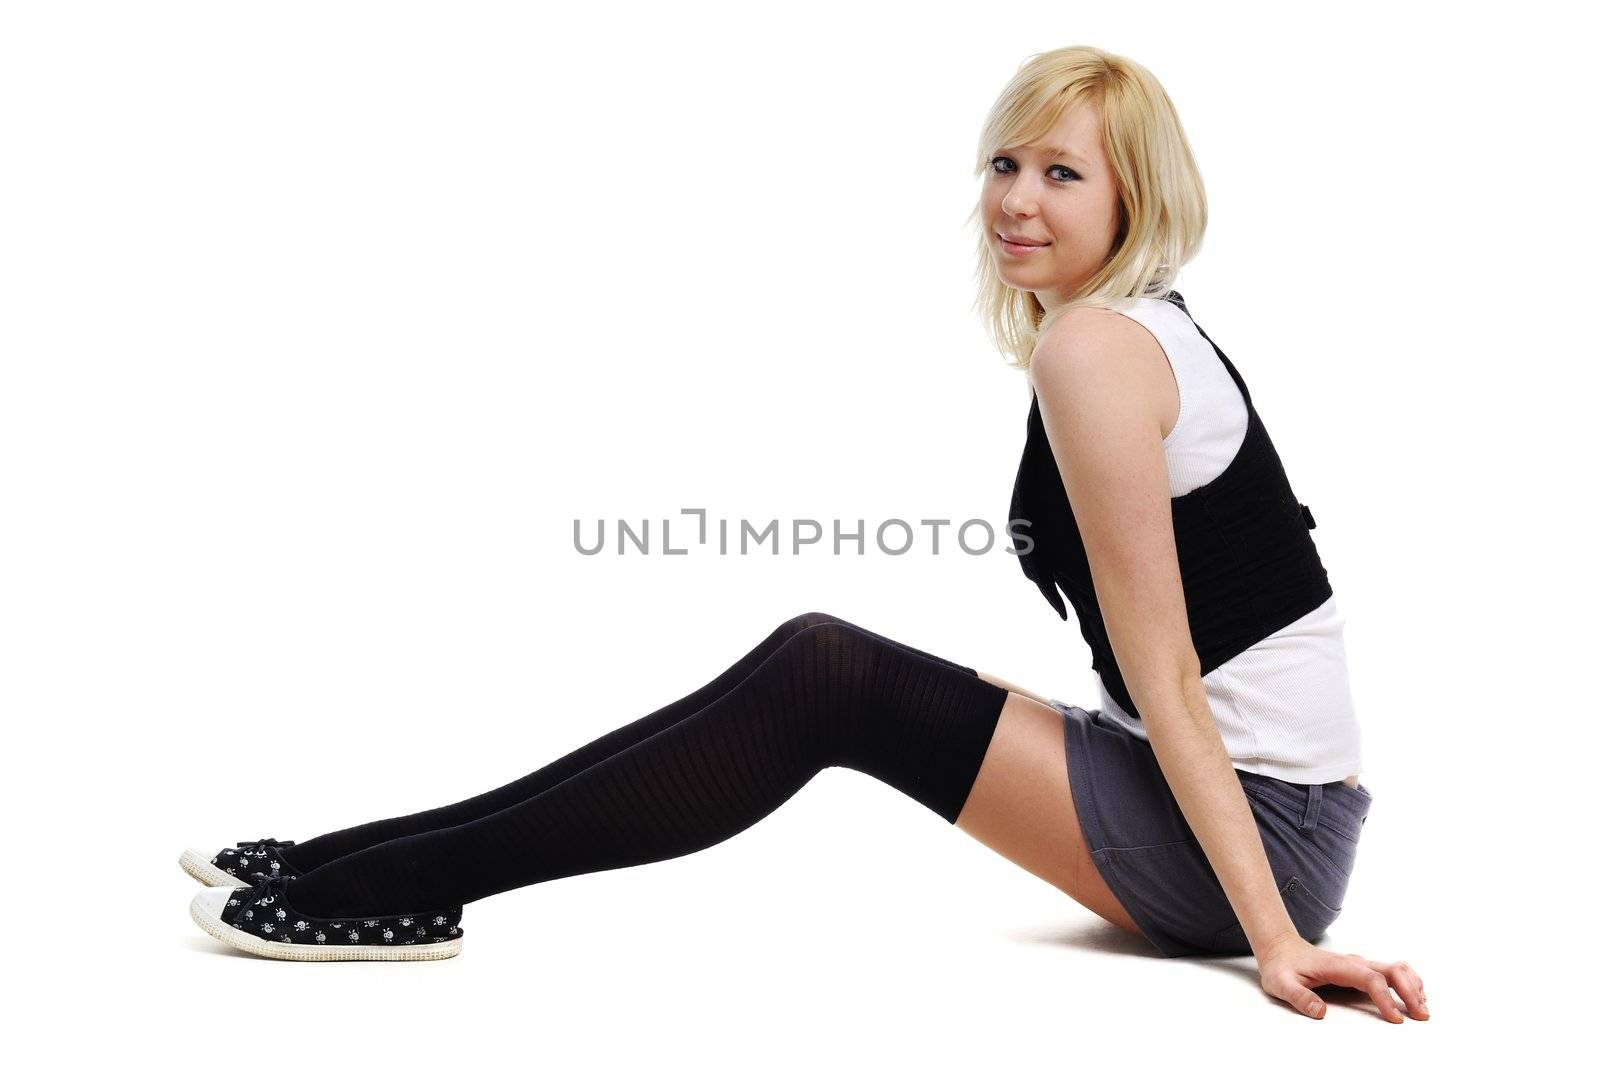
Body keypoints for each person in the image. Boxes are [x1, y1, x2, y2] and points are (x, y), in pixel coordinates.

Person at [183, 44, 1427, 1023]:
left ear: (1133, 198)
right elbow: (1175, 663)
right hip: (1229, 794)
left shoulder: (1097, 345)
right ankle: (355, 859)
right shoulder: (1130, 331)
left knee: (825, 676)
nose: (1016, 201)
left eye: (1063, 174)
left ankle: (392, 890)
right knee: (821, 660)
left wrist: (1277, 943)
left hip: (1263, 841)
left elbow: (1166, 668)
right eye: (1006, 163)